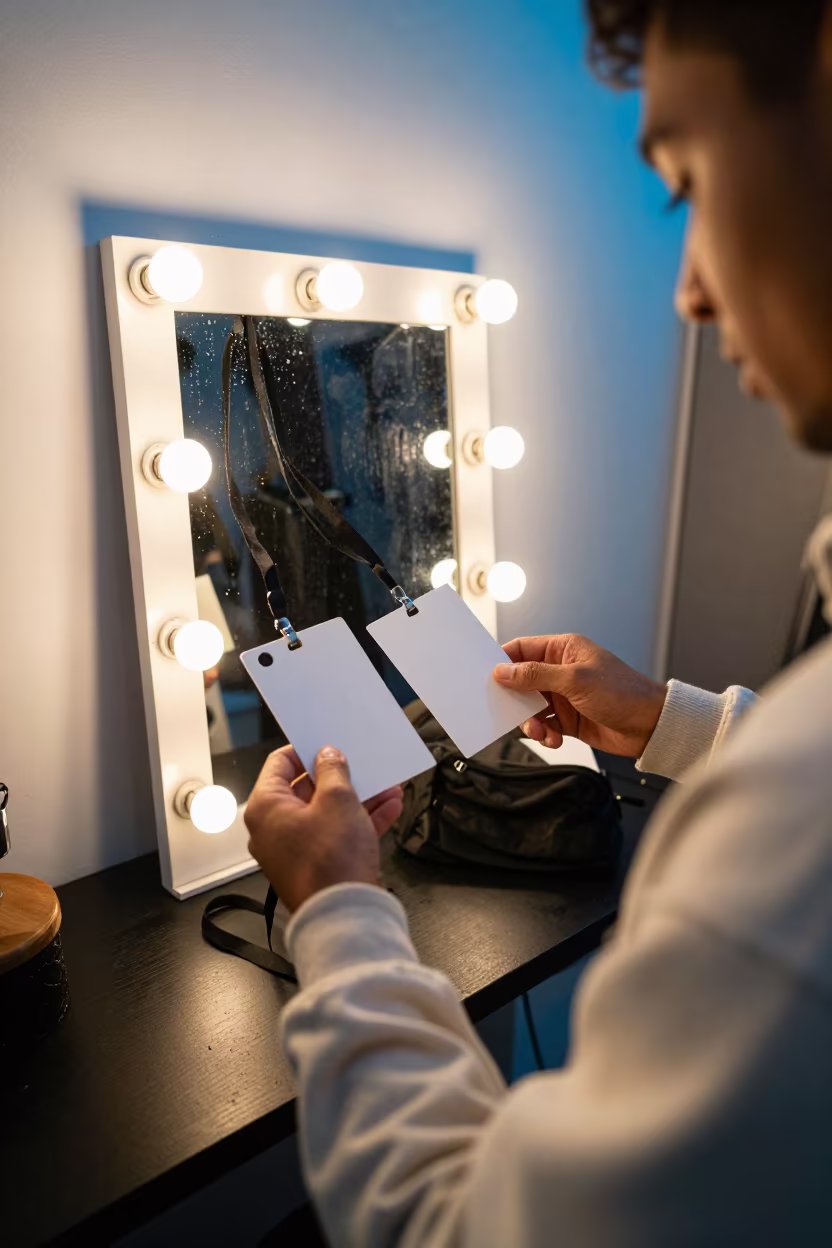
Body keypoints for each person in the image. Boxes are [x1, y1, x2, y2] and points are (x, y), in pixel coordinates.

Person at [245, 2, 832, 1243]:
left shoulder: (790, 836)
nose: (685, 294)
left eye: (684, 183)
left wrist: (338, 907)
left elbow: (453, 1226)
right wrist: (667, 722)